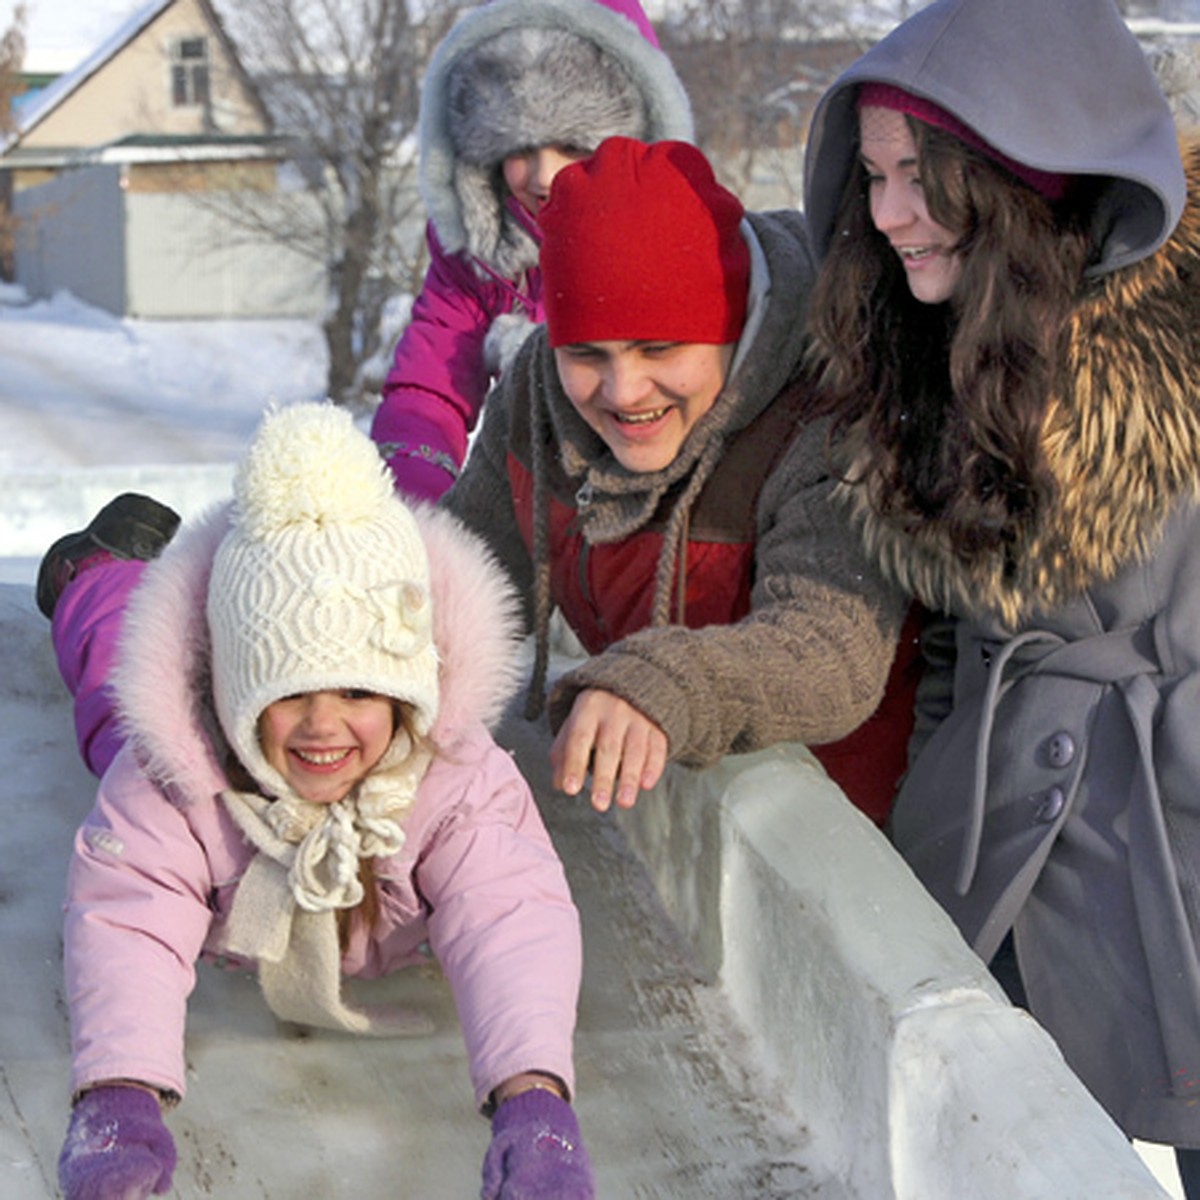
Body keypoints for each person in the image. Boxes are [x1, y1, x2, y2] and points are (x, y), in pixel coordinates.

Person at [800, 0, 1200, 1187]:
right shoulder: (914, 352)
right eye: (872, 178)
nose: (888, 216)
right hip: (992, 852)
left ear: (1025, 176)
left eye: (923, 179)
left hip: (1176, 856)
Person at [54, 402, 593, 1200]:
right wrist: (119, 1096)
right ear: (234, 692)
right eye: (287, 692)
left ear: (408, 690)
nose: (322, 725)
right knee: (113, 684)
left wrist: (533, 1099)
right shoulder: (175, 771)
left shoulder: (453, 778)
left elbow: (510, 914)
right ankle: (102, 571)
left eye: (356, 691)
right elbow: (127, 917)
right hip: (195, 719)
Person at [439, 134, 920, 823]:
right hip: (666, 820)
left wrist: (664, 680)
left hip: (852, 848)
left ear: (731, 325)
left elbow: (831, 652)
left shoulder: (827, 413)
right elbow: (462, 582)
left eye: (659, 347)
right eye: (586, 353)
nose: (624, 390)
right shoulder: (538, 395)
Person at [371, 0, 693, 501]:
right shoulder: (483, 260)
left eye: (573, 145)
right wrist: (410, 497)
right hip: (540, 514)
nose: (543, 177)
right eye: (517, 150)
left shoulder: (687, 253)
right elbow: (429, 391)